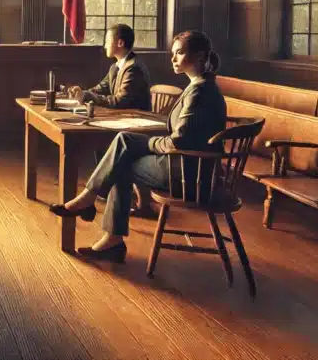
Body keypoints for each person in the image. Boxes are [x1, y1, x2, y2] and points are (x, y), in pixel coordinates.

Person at [48, 30, 227, 262]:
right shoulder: (201, 86)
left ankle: (100, 221)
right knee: (125, 140)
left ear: (201, 56)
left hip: (192, 175)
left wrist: (151, 143)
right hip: (191, 166)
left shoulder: (200, 91)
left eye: (180, 53)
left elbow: (179, 141)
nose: (173, 59)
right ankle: (93, 210)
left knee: (120, 162)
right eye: (173, 54)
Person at [67, 24, 152, 111]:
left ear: (120, 43)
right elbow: (101, 88)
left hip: (138, 119)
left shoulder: (133, 68)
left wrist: (86, 96)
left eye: (107, 41)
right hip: (123, 117)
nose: (105, 46)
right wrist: (81, 92)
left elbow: (120, 101)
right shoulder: (115, 67)